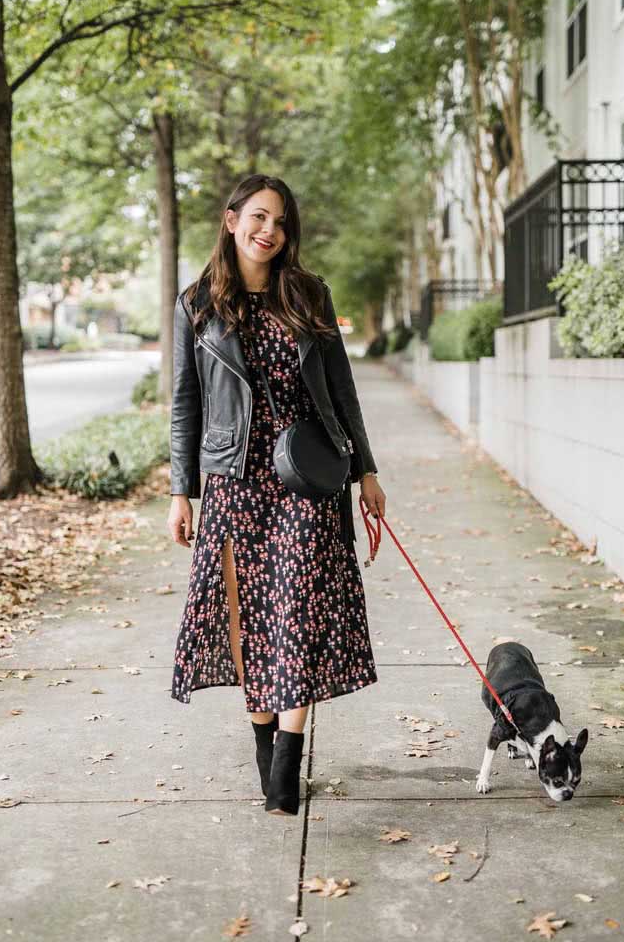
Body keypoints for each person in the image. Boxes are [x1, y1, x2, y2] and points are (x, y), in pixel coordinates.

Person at [167, 173, 386, 817]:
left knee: (299, 611)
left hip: (308, 478)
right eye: (260, 216)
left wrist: (364, 471)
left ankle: (286, 765)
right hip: (235, 483)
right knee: (248, 620)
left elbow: (342, 392)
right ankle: (268, 754)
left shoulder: (308, 295)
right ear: (231, 220)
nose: (271, 230)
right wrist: (182, 491)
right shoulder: (197, 304)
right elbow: (186, 405)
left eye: (282, 221)